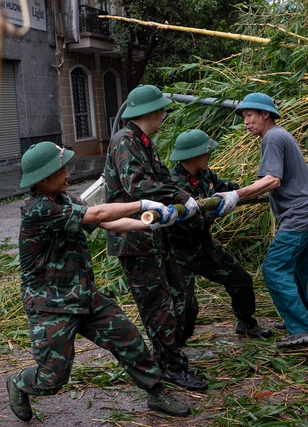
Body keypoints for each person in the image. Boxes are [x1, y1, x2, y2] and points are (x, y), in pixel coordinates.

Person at [8, 141, 190, 422]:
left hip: (84, 296)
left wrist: (148, 222)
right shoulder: (38, 210)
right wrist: (142, 203)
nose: (68, 174)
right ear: (43, 179)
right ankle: (20, 383)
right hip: (51, 305)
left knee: (128, 338)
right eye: (61, 170)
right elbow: (98, 213)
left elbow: (107, 223)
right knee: (53, 378)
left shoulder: (67, 200)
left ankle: (155, 392)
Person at [104, 84, 207, 391]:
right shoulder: (125, 141)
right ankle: (172, 368)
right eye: (161, 109)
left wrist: (187, 198)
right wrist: (179, 195)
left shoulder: (144, 142)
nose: (163, 114)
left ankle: (168, 354)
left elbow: (160, 178)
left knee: (182, 300)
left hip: (153, 236)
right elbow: (137, 185)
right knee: (158, 307)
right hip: (134, 241)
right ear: (150, 112)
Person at [213, 93, 308, 348]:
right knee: (295, 269)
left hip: (301, 215)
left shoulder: (273, 138)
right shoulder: (280, 135)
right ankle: (299, 318)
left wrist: (237, 194)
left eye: (250, 115)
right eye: (244, 117)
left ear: (265, 114)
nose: (246, 122)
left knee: (274, 268)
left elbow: (273, 179)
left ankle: (303, 328)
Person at [168, 129, 272, 344]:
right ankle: (175, 348)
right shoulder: (174, 185)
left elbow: (224, 188)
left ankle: (246, 324)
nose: (210, 156)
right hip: (178, 252)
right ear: (194, 156)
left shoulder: (204, 174)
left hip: (204, 245)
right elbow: (184, 225)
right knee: (186, 304)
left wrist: (249, 192)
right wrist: (208, 214)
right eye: (207, 153)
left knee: (240, 280)